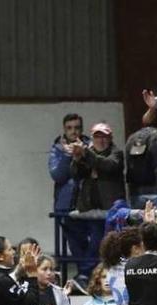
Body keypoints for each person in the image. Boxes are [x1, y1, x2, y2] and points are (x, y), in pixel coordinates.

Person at [49, 114, 94, 284]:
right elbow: (57, 175)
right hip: (65, 204)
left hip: (89, 203)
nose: (73, 131)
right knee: (74, 242)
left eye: (76, 127)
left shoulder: (90, 146)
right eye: (69, 128)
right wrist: (68, 155)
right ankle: (84, 275)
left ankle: (85, 274)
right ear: (64, 129)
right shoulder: (57, 149)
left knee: (95, 239)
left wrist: (83, 153)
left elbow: (93, 170)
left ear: (81, 129)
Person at [70, 122, 126, 212]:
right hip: (88, 208)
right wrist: (77, 159)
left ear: (110, 138)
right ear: (92, 139)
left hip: (110, 208)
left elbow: (109, 165)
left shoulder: (116, 153)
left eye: (104, 137)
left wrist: (86, 152)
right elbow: (76, 174)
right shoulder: (87, 152)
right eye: (97, 137)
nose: (100, 140)